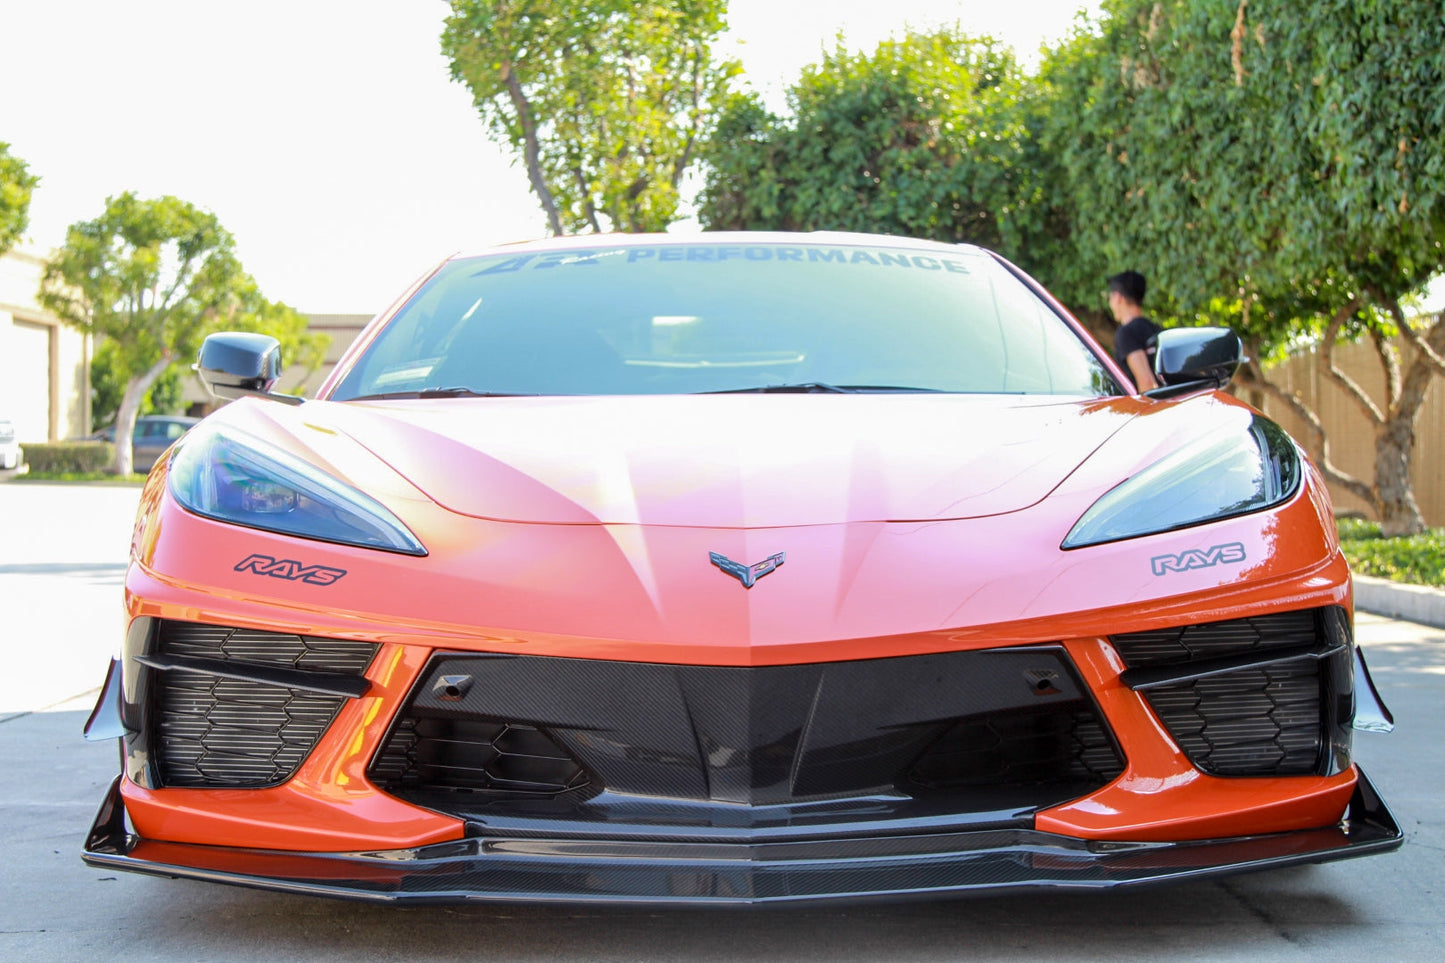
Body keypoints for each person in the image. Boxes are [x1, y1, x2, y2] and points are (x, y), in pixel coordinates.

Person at [1106, 270, 1160, 392]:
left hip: (1146, 407)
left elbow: (1147, 383)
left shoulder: (1126, 334)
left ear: (1117, 298)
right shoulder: (1155, 330)